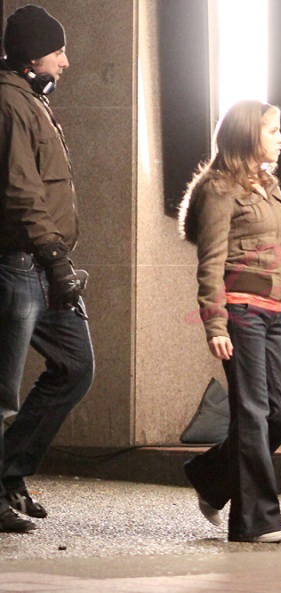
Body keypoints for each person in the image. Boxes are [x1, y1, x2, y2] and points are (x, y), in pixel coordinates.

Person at [179, 100, 281, 543]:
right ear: (248, 134)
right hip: (240, 312)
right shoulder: (218, 189)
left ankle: (210, 476)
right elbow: (210, 263)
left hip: (275, 313)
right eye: (273, 130)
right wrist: (215, 324)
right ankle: (256, 522)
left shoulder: (271, 188)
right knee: (251, 413)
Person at [0, 5, 93, 534]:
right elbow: (21, 191)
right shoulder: (10, 102)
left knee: (75, 367)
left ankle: (8, 472)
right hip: (22, 265)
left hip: (44, 263)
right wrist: (55, 259)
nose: (66, 61)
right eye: (58, 51)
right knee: (2, 393)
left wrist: (56, 261)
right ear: (33, 56)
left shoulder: (31, 97)